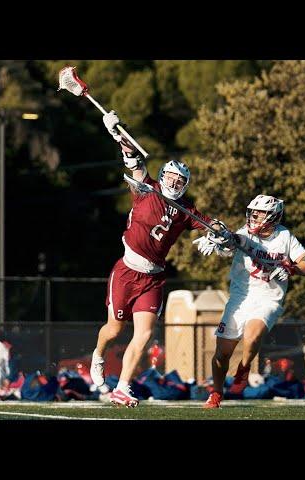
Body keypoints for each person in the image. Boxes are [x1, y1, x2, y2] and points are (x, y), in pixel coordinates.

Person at [89, 110, 228, 408]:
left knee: (145, 334)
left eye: (180, 181)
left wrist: (220, 235)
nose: (175, 184)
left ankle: (123, 388)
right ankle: (98, 355)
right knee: (114, 330)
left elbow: (214, 226)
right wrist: (117, 130)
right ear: (163, 176)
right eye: (171, 177)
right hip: (127, 269)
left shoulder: (185, 209)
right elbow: (133, 160)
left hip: (153, 278)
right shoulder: (145, 190)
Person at [192, 194, 305, 409]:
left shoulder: (285, 236)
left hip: (269, 298)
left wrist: (291, 269)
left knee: (252, 335)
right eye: (253, 214)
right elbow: (232, 241)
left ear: (272, 216)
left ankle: (243, 367)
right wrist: (216, 238)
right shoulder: (245, 233)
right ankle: (216, 393)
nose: (253, 218)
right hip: (241, 298)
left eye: (259, 215)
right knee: (222, 353)